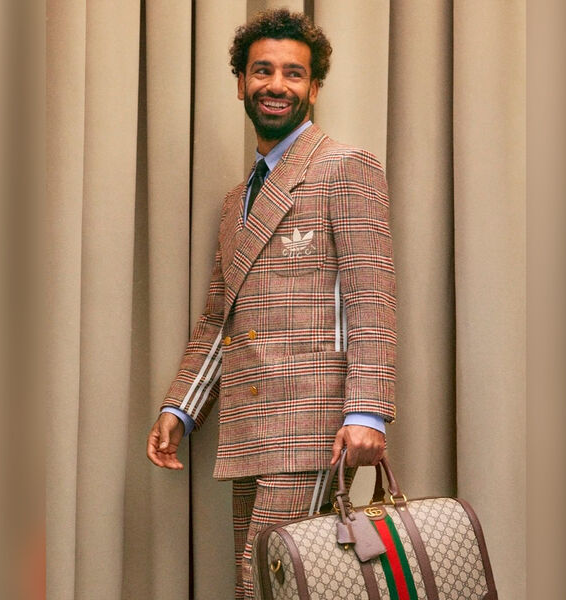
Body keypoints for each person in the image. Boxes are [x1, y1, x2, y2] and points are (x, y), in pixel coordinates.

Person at [146, 9, 396, 599]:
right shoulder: (237, 201)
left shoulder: (344, 166)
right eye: (262, 71)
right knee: (266, 584)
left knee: (273, 585)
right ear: (241, 83)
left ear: (314, 88)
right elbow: (220, 319)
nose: (276, 84)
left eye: (293, 73)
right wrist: (181, 408)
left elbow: (371, 295)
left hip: (316, 428)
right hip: (249, 429)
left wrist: (367, 413)